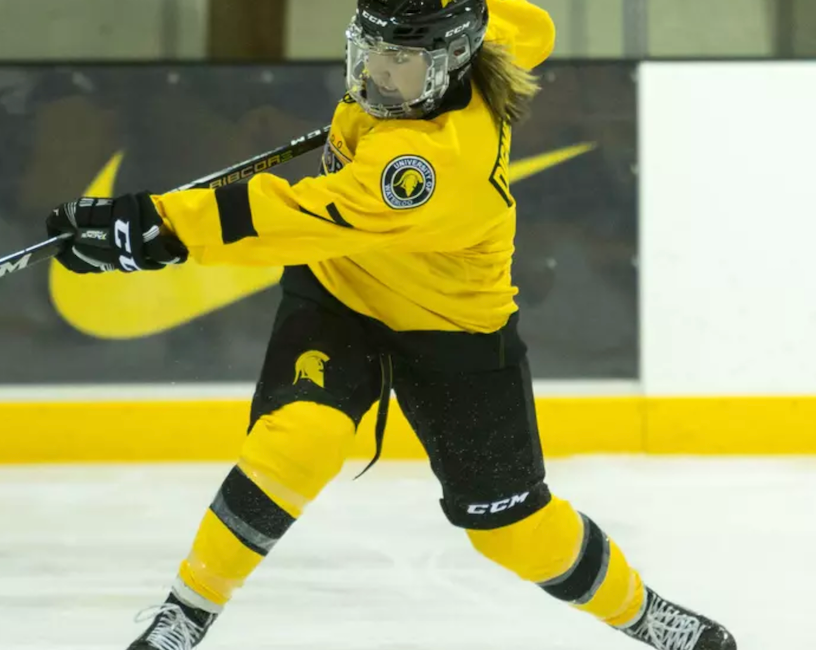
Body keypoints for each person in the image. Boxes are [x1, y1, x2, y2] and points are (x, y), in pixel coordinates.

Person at [44, 1, 737, 649]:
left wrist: (156, 227)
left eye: (399, 61)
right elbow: (533, 25)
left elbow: (289, 219)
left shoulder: (431, 166)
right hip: (343, 292)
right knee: (298, 442)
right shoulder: (472, 40)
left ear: (454, 62)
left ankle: (646, 614)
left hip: (452, 329)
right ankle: (185, 614)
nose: (377, 74)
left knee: (513, 531)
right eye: (368, 53)